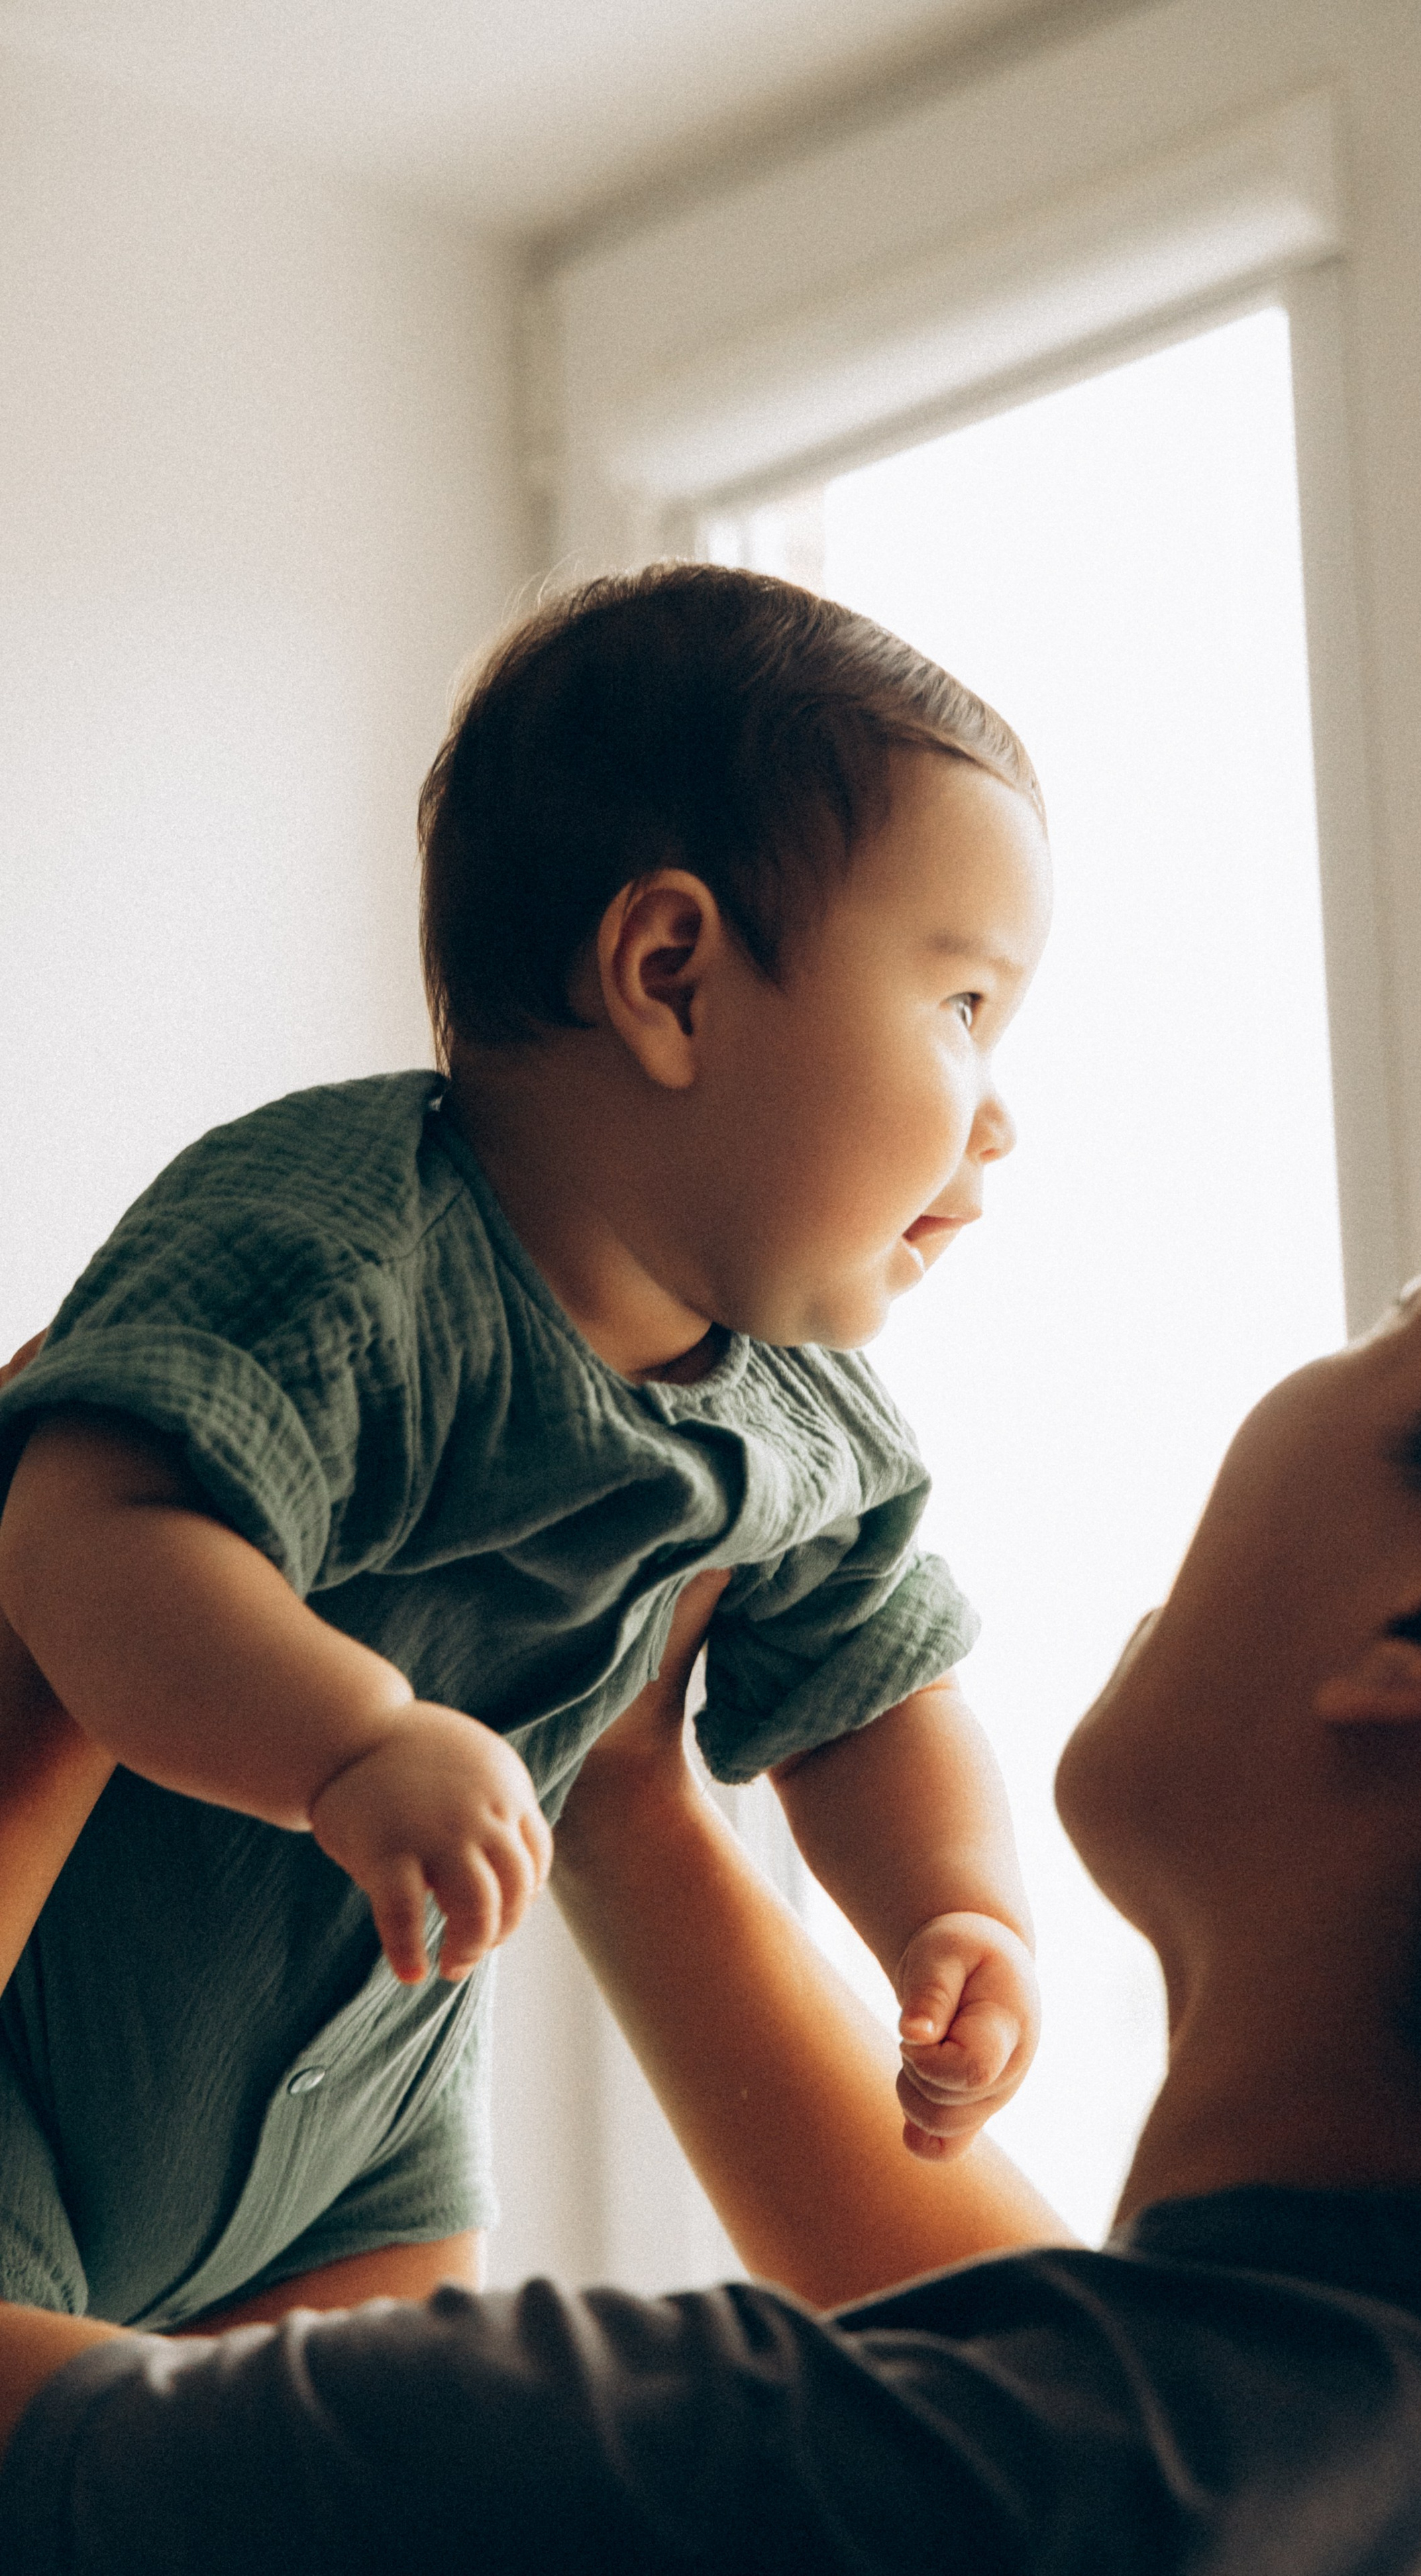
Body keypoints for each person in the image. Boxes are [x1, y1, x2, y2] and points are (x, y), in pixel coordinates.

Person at [5, 1139, 1421, 2572]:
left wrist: (72, 1534)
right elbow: (1089, 2383)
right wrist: (634, 1792)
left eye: (1415, 1308)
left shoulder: (682, 2490)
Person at [0, 564, 1051, 2334]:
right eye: (962, 1007)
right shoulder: (347, 1248)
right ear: (670, 974)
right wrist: (354, 1744)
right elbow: (78, 1535)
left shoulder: (793, 1405)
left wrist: (963, 1921)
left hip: (362, 2150)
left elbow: (874, 1695)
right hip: (40, 2075)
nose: (1000, 1113)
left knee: (373, 2471)